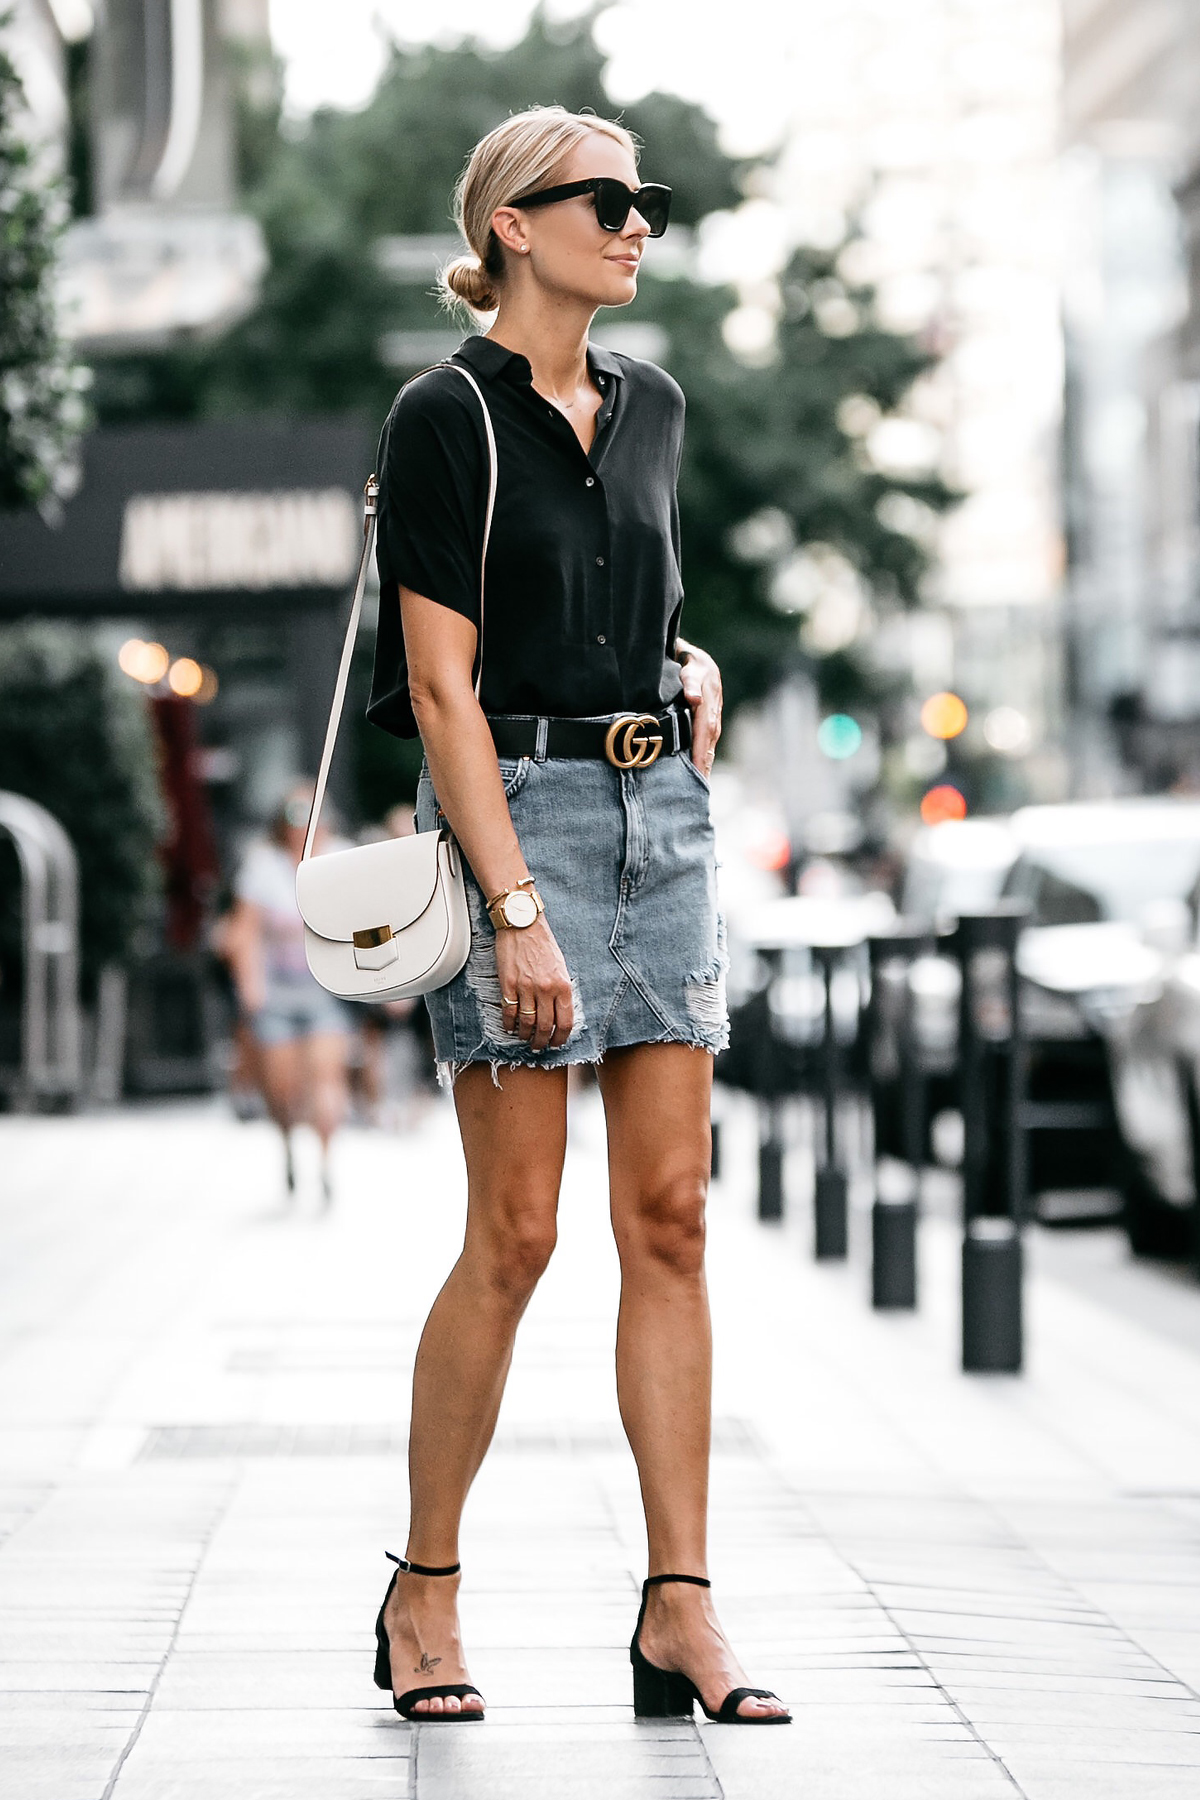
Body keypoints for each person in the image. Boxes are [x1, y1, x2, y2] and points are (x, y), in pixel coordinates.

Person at [367, 106, 790, 1727]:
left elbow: (639, 596)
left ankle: (680, 1608)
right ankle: (426, 1593)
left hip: (661, 818)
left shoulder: (656, 405)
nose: (637, 223)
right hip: (517, 816)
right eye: (606, 200)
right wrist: (517, 910)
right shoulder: (446, 417)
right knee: (520, 1231)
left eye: (647, 201)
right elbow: (439, 686)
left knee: (671, 1218)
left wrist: (683, 664)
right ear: (514, 223)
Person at [226, 783, 353, 1207]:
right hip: (277, 989)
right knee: (280, 1086)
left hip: (325, 988)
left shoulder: (342, 858)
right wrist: (250, 986)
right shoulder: (264, 866)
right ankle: (286, 1146)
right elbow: (244, 931)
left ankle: (326, 1162)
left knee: (326, 1075)